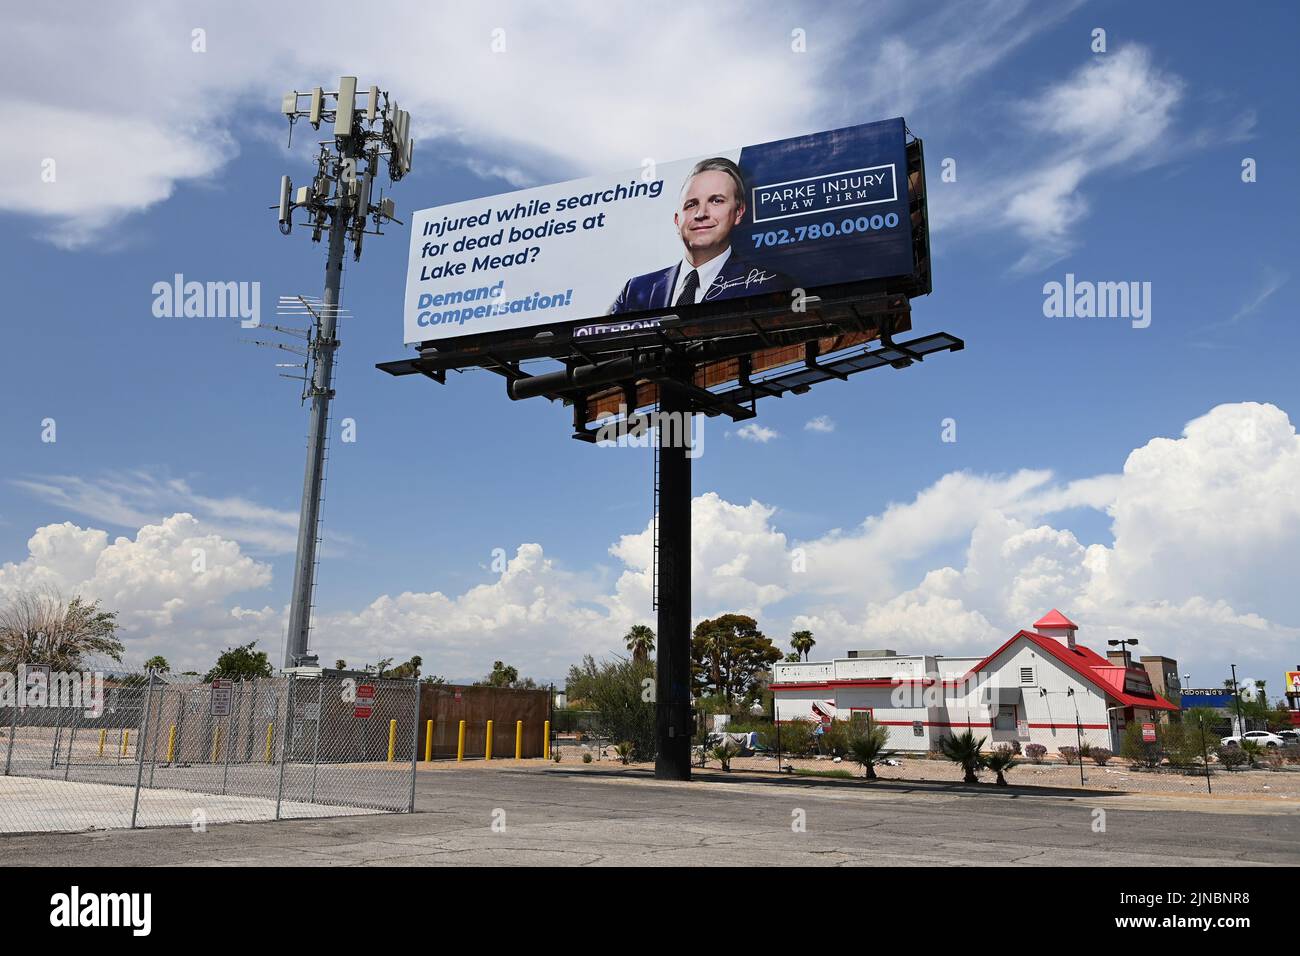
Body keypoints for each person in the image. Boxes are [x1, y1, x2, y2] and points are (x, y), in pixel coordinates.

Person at [609, 157, 793, 314]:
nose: (701, 213)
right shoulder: (636, 290)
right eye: (691, 204)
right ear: (676, 220)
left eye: (716, 201)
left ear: (738, 212)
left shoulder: (770, 285)